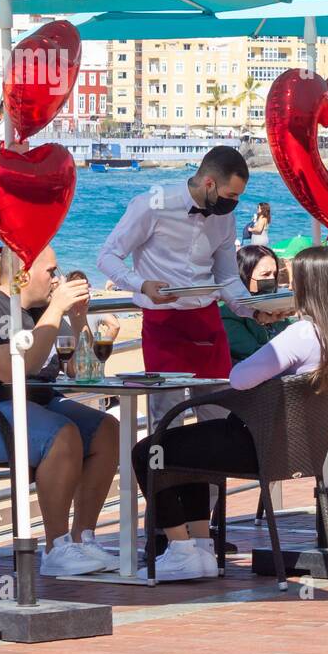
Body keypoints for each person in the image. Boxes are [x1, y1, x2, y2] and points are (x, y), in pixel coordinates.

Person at [131, 246, 328, 580]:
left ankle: (182, 550)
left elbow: (239, 379)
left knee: (148, 451)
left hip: (256, 445)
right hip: (299, 449)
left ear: (307, 286)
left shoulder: (301, 334)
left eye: (292, 281)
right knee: (188, 448)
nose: (287, 288)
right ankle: (202, 549)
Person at [0, 246, 120, 576]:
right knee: (62, 434)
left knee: (106, 430)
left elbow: (80, 373)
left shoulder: (40, 311)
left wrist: (77, 317)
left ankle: (82, 540)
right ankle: (56, 548)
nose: (56, 279)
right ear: (22, 276)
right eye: (51, 272)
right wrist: (56, 311)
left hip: (16, 408)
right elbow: (16, 369)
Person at [97, 144, 254, 556]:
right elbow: (107, 255)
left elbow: (226, 277)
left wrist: (251, 310)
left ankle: (207, 532)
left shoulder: (225, 218)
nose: (234, 203)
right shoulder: (152, 203)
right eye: (230, 195)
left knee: (217, 426)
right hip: (163, 325)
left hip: (207, 322)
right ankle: (167, 529)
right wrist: (139, 284)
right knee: (165, 426)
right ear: (208, 183)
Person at [221, 246, 294, 362]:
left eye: (274, 275)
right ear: (244, 275)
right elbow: (253, 353)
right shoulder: (228, 315)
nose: (272, 280)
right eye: (265, 275)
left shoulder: (274, 307)